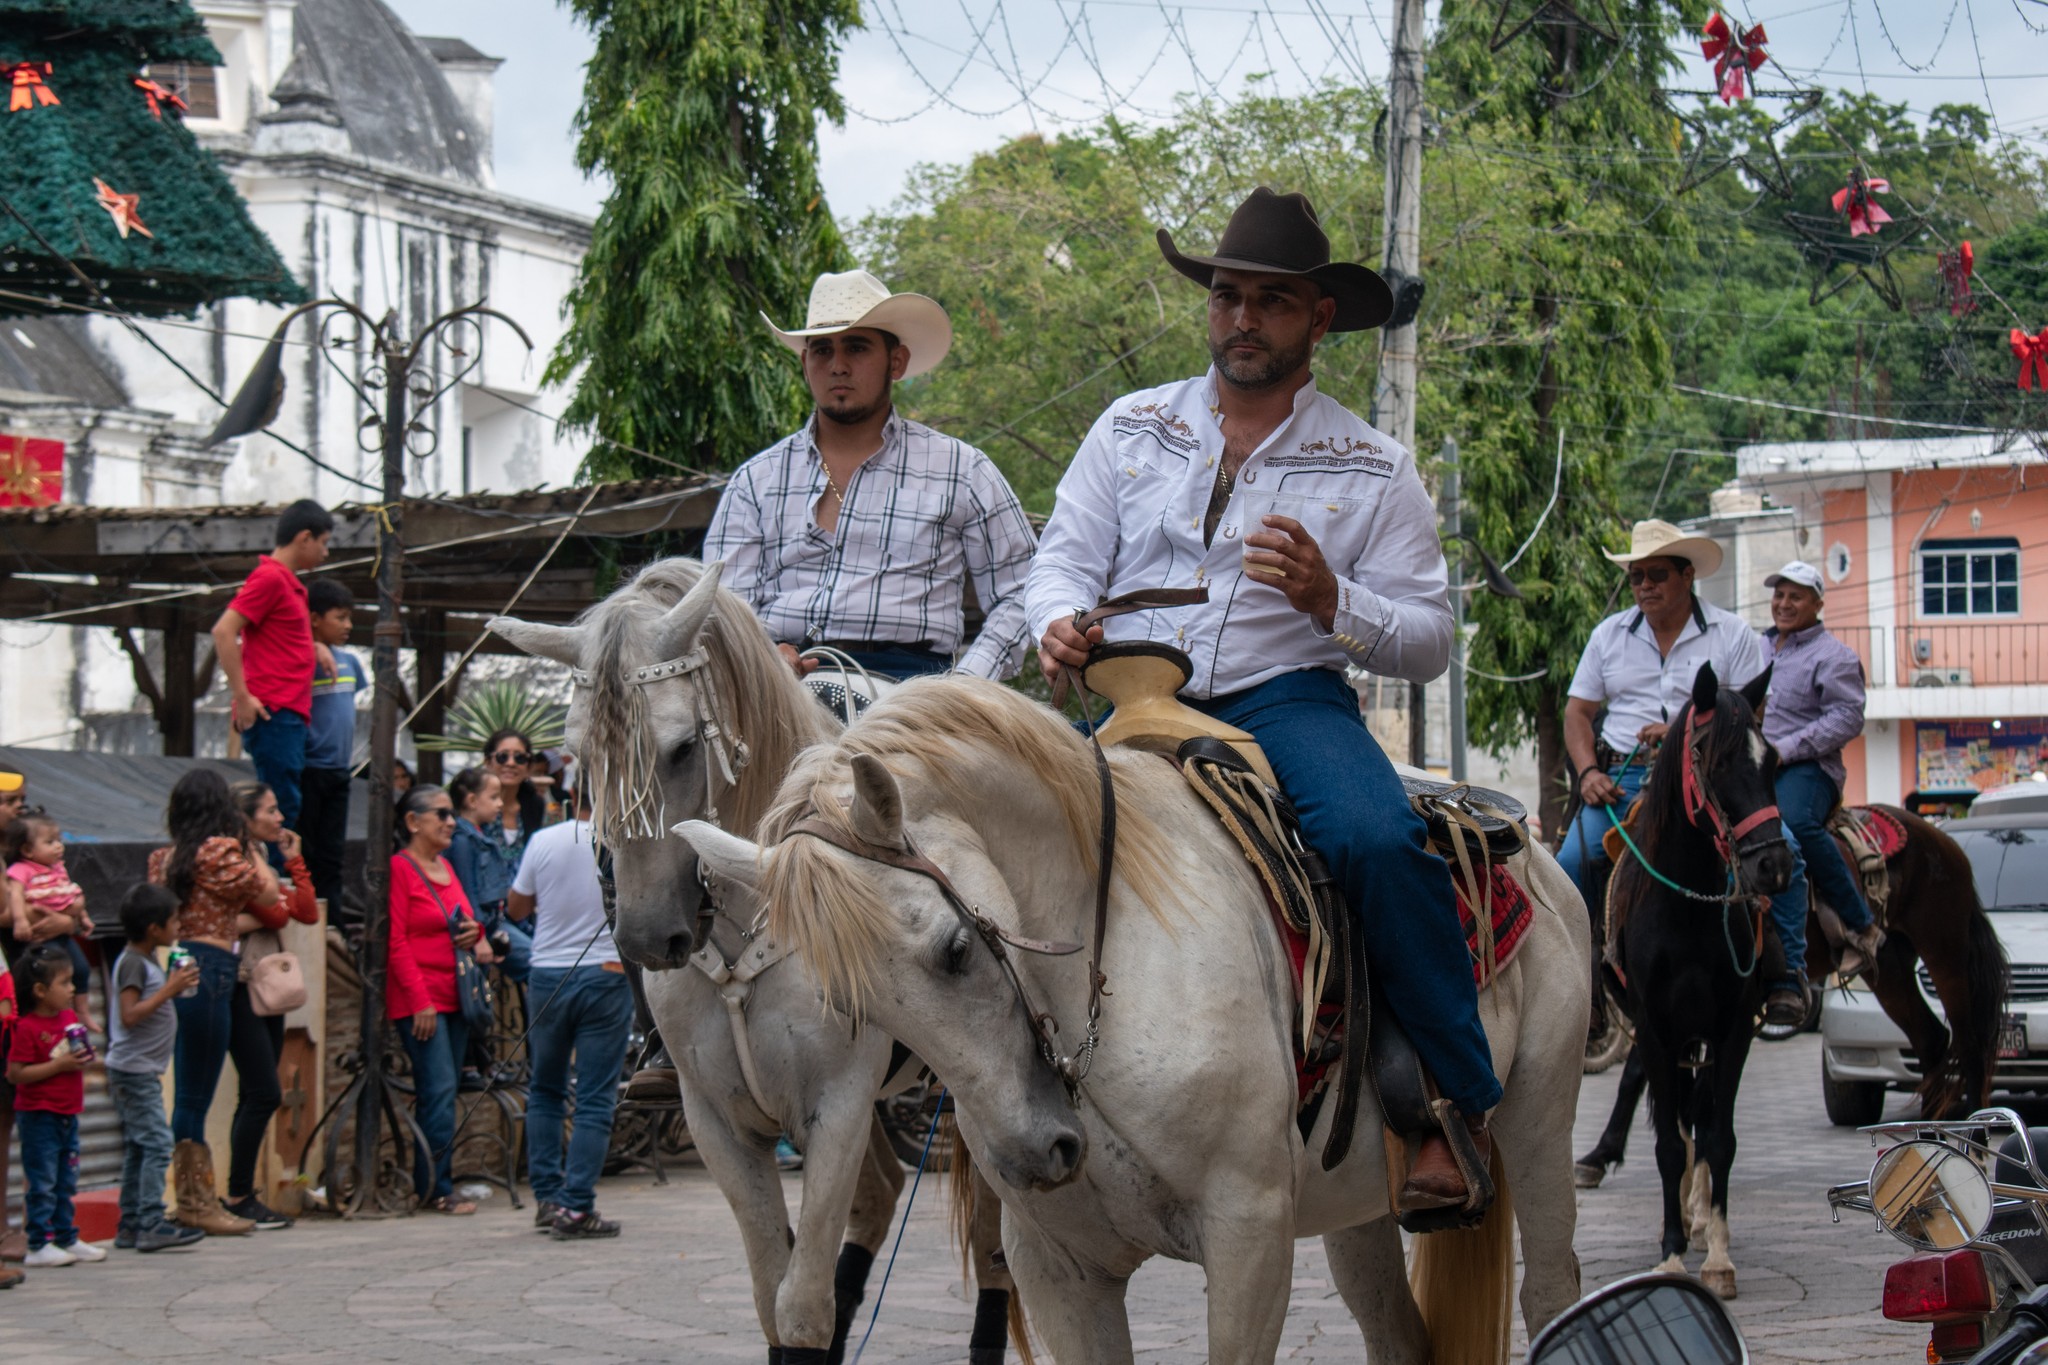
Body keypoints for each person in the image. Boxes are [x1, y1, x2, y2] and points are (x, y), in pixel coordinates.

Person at [1026, 186, 1491, 1209]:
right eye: (1226, 296)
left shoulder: (1373, 465)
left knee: (1375, 839)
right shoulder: (1130, 425)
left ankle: (1447, 1106)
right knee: (1005, 833)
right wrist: (1054, 621)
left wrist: (1332, 599)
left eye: (1270, 302)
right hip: (1129, 694)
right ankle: (995, 1092)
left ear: (1319, 320)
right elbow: (1060, 558)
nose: (1241, 319)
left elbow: (1427, 639)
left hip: (1285, 702)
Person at [705, 267, 1038, 682]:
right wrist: (764, 655)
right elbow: (722, 608)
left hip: (912, 692)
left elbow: (1023, 590)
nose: (838, 366)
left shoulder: (961, 469)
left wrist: (965, 686)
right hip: (782, 687)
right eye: (822, 350)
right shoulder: (755, 481)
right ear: (805, 362)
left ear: (896, 362)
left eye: (857, 348)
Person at [1559, 521, 1776, 919]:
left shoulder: (1733, 633)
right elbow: (1577, 713)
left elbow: (1751, 715)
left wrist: (1681, 731)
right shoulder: (1607, 635)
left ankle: (1787, 956)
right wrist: (1588, 772)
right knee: (1571, 863)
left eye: (1658, 574)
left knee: (1781, 852)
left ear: (1687, 575)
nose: (1645, 585)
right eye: (1636, 576)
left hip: (1709, 780)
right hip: (1622, 779)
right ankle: (1580, 956)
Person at [147, 770, 290, 1237]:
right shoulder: (220, 851)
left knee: (190, 1085)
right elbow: (269, 892)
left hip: (181, 961)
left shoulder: (164, 858)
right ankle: (197, 1203)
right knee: (198, 1091)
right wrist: (249, 847)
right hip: (213, 964)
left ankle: (194, 1198)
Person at [1758, 560, 1885, 1024]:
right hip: (1755, 767)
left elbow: (1847, 718)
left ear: (1817, 603)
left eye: (1796, 596)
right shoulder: (1756, 647)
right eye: (1779, 595)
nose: (1784, 604)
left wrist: (1785, 750)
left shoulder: (1835, 656)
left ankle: (1859, 924)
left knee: (1794, 827)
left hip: (1810, 769)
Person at [508, 785, 631, 1239]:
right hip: (606, 973)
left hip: (546, 974)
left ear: (573, 794)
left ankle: (547, 1198)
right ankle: (576, 1205)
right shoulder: (622, 839)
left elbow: (516, 907)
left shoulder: (543, 840)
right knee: (595, 1096)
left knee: (545, 1089)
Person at [388, 784, 495, 1215]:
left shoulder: (445, 866)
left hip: (456, 997)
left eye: (452, 814)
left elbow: (468, 922)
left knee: (445, 1092)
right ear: (413, 822)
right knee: (438, 1089)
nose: (451, 822)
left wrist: (475, 932)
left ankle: (436, 1180)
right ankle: (435, 1187)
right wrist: (420, 1002)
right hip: (423, 1001)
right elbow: (395, 940)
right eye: (442, 814)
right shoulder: (401, 868)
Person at [210, 499, 333, 859]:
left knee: (285, 803)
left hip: (288, 711)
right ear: (304, 537)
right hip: (274, 710)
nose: (325, 552)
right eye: (323, 543)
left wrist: (314, 646)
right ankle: (273, 881)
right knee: (278, 809)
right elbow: (224, 630)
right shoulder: (270, 578)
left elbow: (277, 636)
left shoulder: (288, 583)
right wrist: (242, 695)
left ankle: (277, 879)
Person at [106, 884, 205, 1253]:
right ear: (153, 928)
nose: (178, 927)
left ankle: (130, 1223)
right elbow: (130, 1015)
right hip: (133, 1070)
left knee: (139, 1145)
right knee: (158, 1144)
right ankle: (151, 1221)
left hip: (140, 1069)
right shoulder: (133, 962)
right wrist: (169, 989)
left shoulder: (144, 960)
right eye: (174, 921)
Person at [5, 944, 106, 1266]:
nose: (72, 989)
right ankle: (38, 1243)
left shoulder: (68, 1018)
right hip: (39, 1116)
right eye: (64, 982)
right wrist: (58, 1066)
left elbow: (75, 1058)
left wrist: (86, 1060)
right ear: (40, 990)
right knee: (42, 1181)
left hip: (67, 1113)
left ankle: (66, 1236)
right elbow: (16, 1074)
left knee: (65, 1180)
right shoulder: (27, 1027)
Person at [299, 578, 363, 916]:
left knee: (332, 853)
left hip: (340, 769)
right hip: (309, 769)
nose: (347, 625)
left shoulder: (350, 662)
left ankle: (333, 922)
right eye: (339, 617)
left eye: (349, 617)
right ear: (314, 618)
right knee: (306, 850)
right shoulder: (301, 662)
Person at [4, 814, 95, 1030]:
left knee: (81, 968)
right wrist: (20, 920)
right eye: (50, 842)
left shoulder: (58, 868)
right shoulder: (20, 870)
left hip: (63, 933)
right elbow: (15, 897)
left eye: (59, 840)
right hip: (41, 938)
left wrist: (80, 918)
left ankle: (81, 1011)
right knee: (52, 978)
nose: (58, 846)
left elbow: (71, 894)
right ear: (27, 850)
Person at [446, 767, 528, 984]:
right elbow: (467, 892)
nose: (500, 804)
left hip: (491, 924)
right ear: (472, 800)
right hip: (481, 928)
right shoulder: (462, 841)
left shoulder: (478, 835)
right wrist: (480, 936)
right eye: (493, 797)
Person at [481, 728, 551, 858]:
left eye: (520, 758)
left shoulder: (535, 805)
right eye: (503, 756)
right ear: (488, 762)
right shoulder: (475, 804)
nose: (511, 763)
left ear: (529, 767)